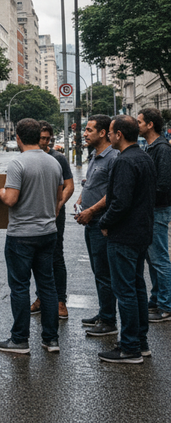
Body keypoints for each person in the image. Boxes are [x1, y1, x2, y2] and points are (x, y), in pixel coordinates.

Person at [0, 118, 63, 354]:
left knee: (20, 287)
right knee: (48, 287)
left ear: (18, 138)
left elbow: (11, 199)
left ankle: (19, 340)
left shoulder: (18, 163)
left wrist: (0, 192)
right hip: (48, 233)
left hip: (21, 234)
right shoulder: (54, 162)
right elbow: (58, 198)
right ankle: (51, 339)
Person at [97, 115, 156, 364]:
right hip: (142, 233)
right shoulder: (144, 157)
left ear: (119, 134)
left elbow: (120, 202)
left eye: (111, 132)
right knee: (137, 287)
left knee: (125, 291)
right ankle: (140, 342)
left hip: (124, 235)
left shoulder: (124, 161)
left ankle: (130, 347)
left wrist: (104, 222)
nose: (109, 136)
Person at [75, 115, 119, 337]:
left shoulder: (113, 157)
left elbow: (113, 193)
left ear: (103, 133)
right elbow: (91, 184)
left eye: (89, 130)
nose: (85, 133)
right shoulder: (94, 155)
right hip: (90, 221)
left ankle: (109, 321)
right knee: (98, 270)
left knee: (104, 273)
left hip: (102, 222)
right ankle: (104, 313)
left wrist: (92, 210)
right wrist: (81, 200)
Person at [30, 121, 74, 319]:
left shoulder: (58, 158)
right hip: (34, 215)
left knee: (56, 256)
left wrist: (58, 205)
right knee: (37, 258)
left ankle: (60, 301)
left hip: (55, 215)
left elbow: (69, 186)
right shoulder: (28, 157)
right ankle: (41, 297)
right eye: (42, 138)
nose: (45, 142)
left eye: (48, 139)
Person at [137, 108, 171, 323]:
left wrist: (142, 197)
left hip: (158, 208)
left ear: (150, 125)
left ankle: (166, 306)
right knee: (152, 258)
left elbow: (163, 184)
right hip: (152, 209)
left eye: (139, 122)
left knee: (159, 258)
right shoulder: (151, 147)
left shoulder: (162, 149)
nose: (137, 125)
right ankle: (157, 298)